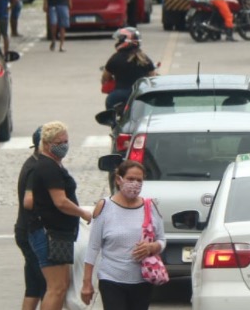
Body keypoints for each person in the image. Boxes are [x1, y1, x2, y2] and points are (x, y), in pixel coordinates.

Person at [81, 160, 165, 310]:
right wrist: (87, 283)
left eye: (139, 180)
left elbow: (162, 240)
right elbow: (93, 247)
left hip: (142, 280)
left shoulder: (150, 206)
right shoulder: (105, 207)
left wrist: (152, 247)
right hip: (111, 279)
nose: (135, 184)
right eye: (130, 179)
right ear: (119, 179)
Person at [28, 121, 92, 310]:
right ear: (47, 144)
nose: (64, 145)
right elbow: (61, 201)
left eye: (66, 141)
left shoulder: (53, 164)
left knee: (62, 285)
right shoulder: (47, 167)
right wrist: (83, 213)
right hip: (49, 233)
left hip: (59, 233)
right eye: (59, 142)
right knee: (56, 287)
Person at [16, 126, 46, 310]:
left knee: (33, 287)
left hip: (24, 229)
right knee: (48, 286)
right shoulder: (37, 167)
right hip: (32, 232)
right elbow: (29, 201)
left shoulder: (33, 162)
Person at [103, 27, 157, 110]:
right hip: (141, 94)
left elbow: (105, 77)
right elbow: (153, 77)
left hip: (120, 94)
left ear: (124, 40)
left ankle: (112, 118)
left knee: (110, 103)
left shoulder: (115, 58)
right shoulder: (144, 58)